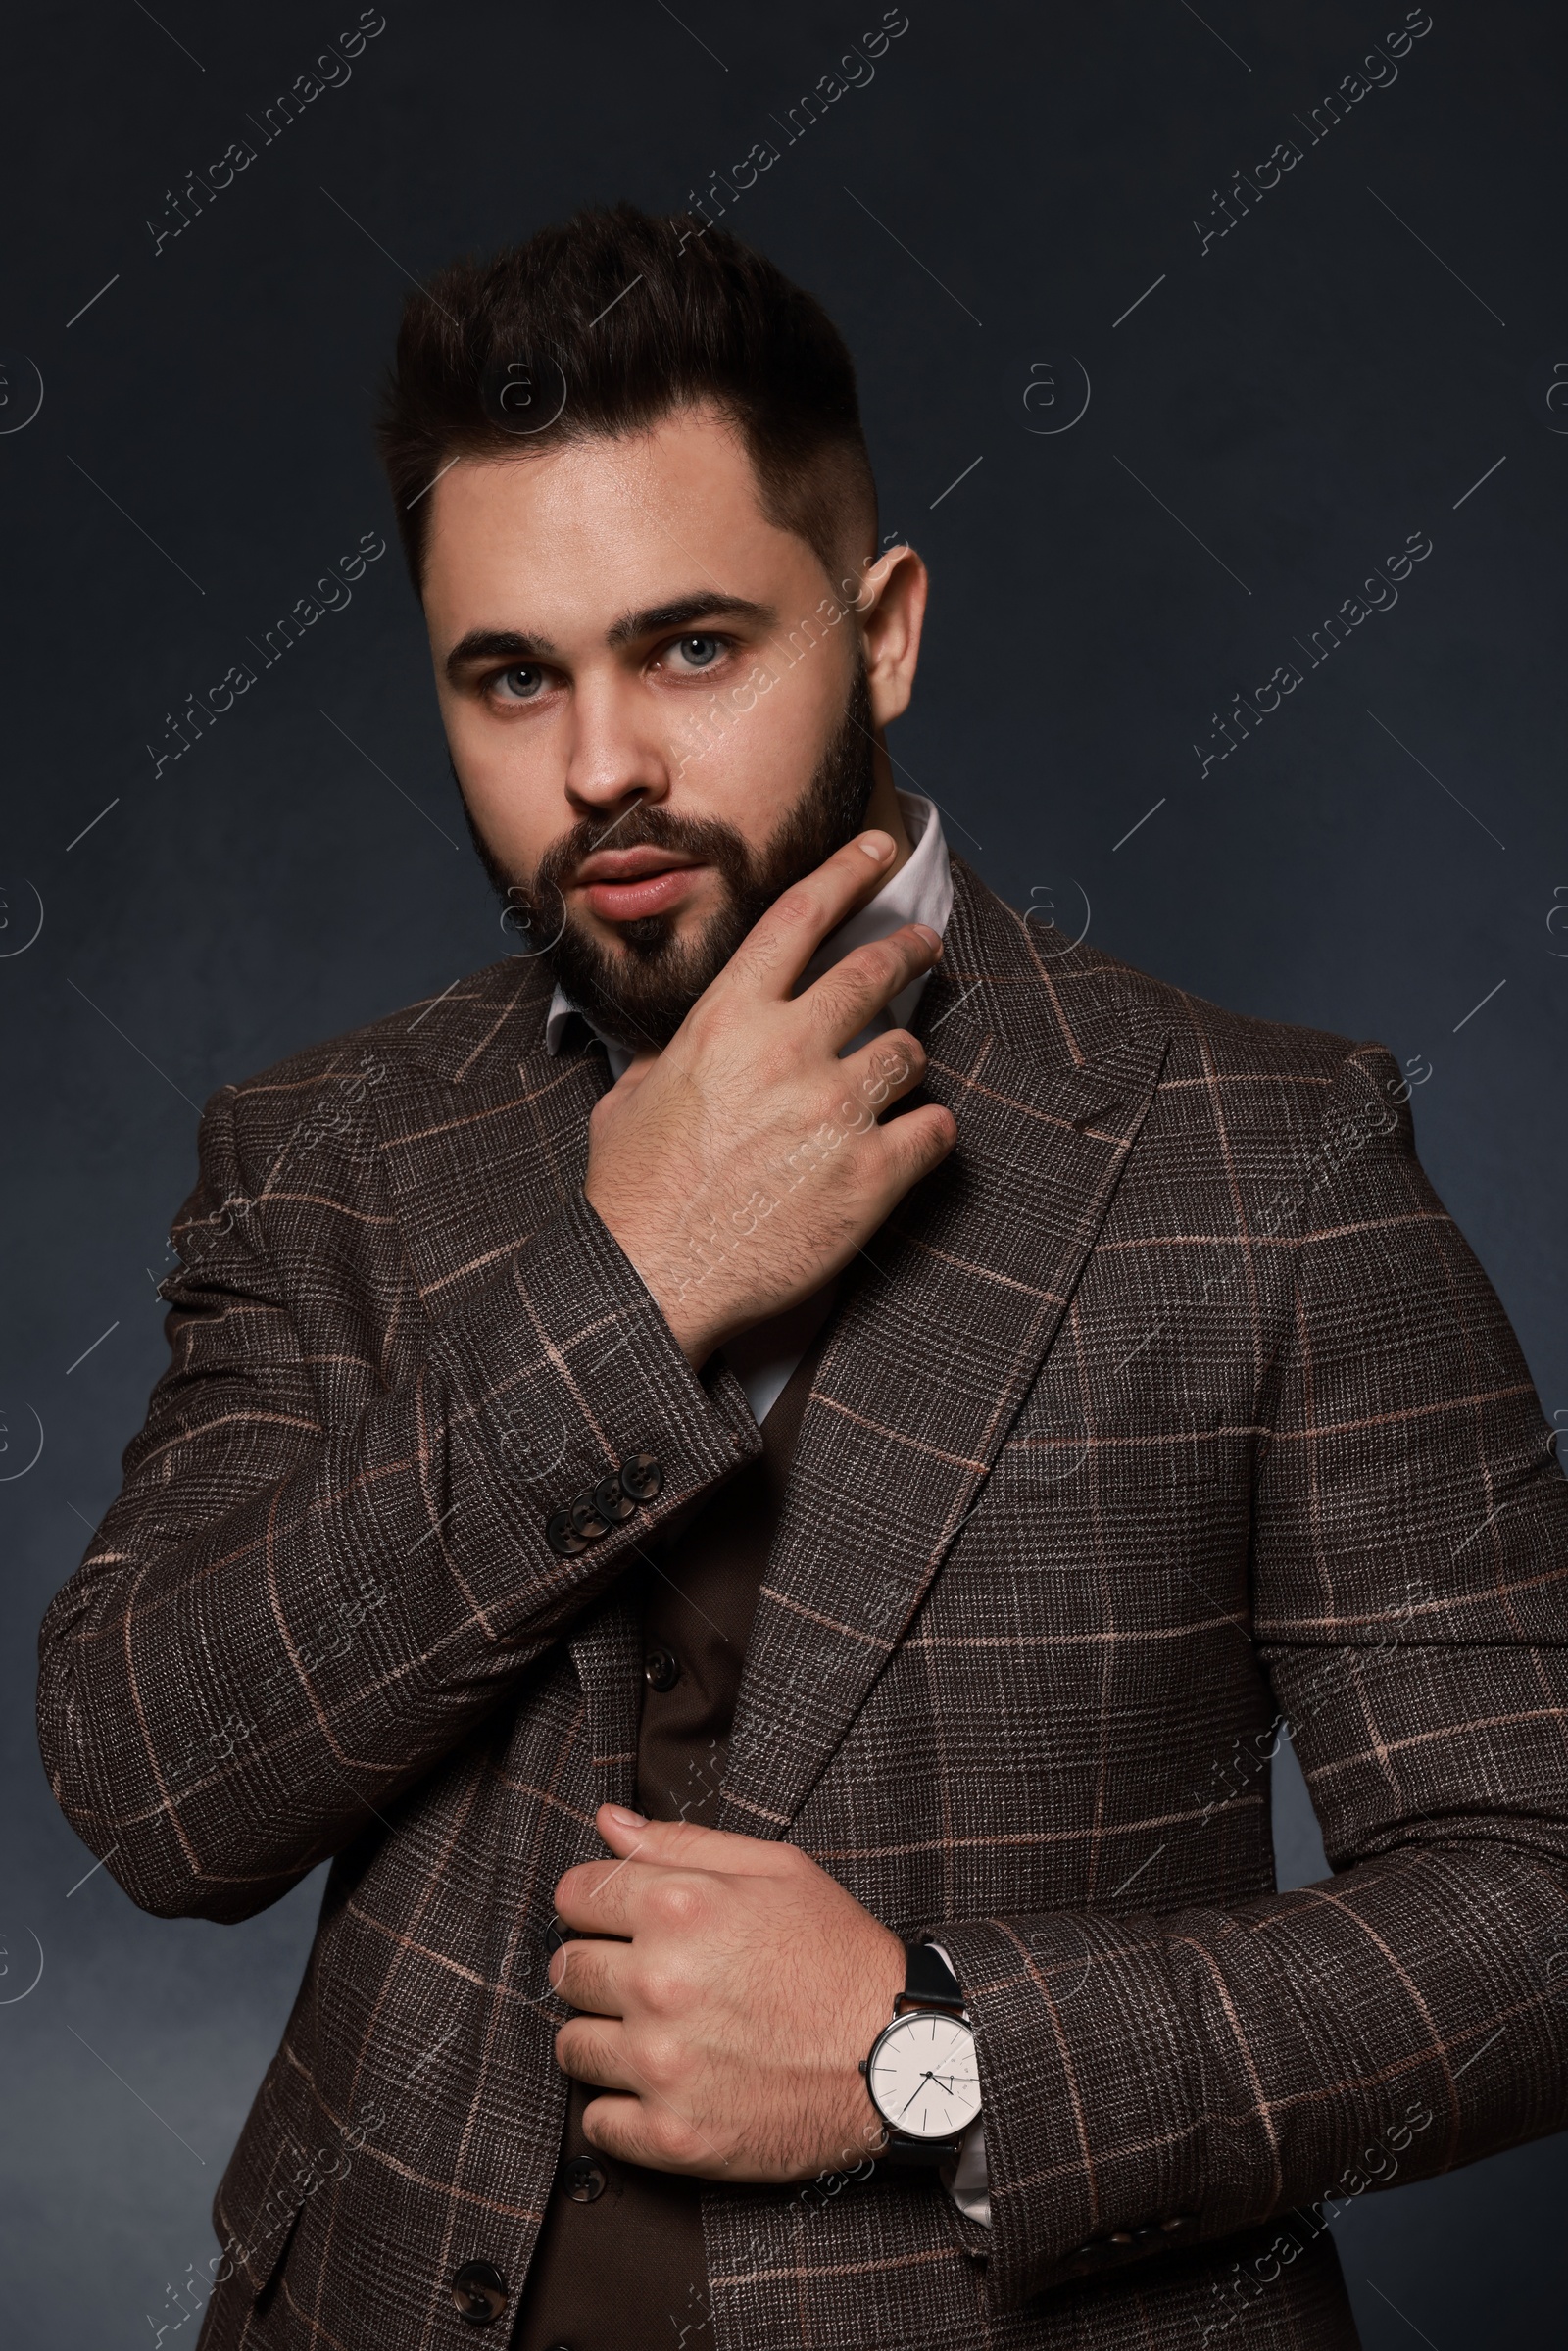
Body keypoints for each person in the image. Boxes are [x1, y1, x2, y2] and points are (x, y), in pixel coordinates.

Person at [37, 203, 1568, 2351]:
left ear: (883, 633)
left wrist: (926, 2055)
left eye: (688, 647)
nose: (597, 769)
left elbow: (1533, 1909)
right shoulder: (327, 1157)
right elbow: (156, 1781)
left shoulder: (1266, 1162)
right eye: (510, 677)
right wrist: (627, 1282)